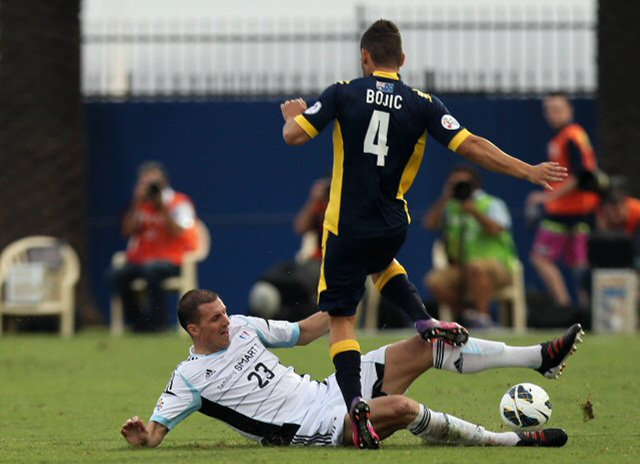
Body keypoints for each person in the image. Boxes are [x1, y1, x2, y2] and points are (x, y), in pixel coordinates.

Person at [280, 19, 567, 448]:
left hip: (346, 226)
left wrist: (294, 117)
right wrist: (527, 170)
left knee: (341, 319)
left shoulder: (342, 92)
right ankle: (422, 317)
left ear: (365, 58)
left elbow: (293, 138)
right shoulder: (423, 103)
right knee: (383, 264)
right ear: (403, 60)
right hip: (393, 224)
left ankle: (355, 401)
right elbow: (471, 145)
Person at [121, 289, 582, 449]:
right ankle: (508, 440)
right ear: (192, 330)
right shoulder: (188, 379)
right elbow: (157, 434)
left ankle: (539, 358)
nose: (226, 320)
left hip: (327, 391)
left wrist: (345, 295)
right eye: (215, 318)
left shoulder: (243, 325)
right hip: (308, 425)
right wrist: (143, 436)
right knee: (399, 408)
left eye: (224, 311)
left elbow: (304, 332)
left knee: (427, 342)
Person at [527, 92, 600, 311]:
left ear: (570, 110)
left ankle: (567, 308)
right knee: (578, 263)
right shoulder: (562, 138)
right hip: (569, 210)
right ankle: (580, 312)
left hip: (570, 211)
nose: (553, 114)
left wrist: (546, 196)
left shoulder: (572, 136)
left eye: (558, 109)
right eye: (549, 109)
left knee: (542, 258)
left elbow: (582, 175)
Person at [107, 161, 199, 332]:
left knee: (151, 271)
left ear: (164, 182)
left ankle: (159, 322)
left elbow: (179, 232)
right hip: (142, 259)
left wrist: (162, 207)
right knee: (116, 275)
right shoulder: (140, 205)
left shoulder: (179, 202)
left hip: (171, 259)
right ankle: (140, 322)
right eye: (145, 183)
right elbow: (127, 231)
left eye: (153, 183)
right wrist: (136, 202)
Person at [423, 165, 517, 327]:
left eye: (463, 183)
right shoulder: (450, 207)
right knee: (434, 281)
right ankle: (467, 316)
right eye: (454, 183)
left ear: (475, 184)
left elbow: (497, 229)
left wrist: (475, 212)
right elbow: (429, 224)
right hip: (462, 267)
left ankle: (483, 318)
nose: (459, 187)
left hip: (497, 265)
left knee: (476, 267)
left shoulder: (491, 203)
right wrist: (445, 198)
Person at [248, 178, 330, 320]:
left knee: (305, 277)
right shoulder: (321, 205)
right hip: (314, 260)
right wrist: (314, 199)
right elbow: (300, 227)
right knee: (283, 273)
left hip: (332, 262)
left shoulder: (346, 205)